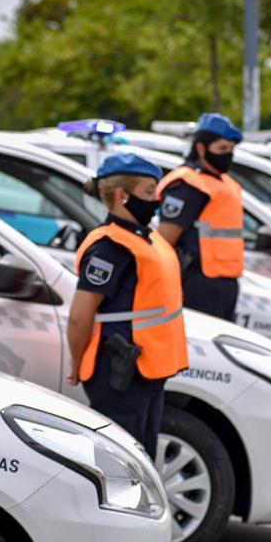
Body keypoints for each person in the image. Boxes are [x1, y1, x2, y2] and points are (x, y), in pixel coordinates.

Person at [68, 153, 189, 460]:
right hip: (120, 371)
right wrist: (76, 363)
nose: (156, 200)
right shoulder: (110, 247)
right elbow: (80, 316)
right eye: (149, 192)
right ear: (122, 196)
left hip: (149, 368)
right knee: (122, 461)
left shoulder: (146, 238)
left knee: (143, 454)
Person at [156, 113, 245, 321]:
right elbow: (165, 240)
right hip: (197, 282)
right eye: (222, 148)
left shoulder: (225, 183)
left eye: (231, 149)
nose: (228, 155)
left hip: (226, 282)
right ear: (201, 148)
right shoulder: (188, 184)